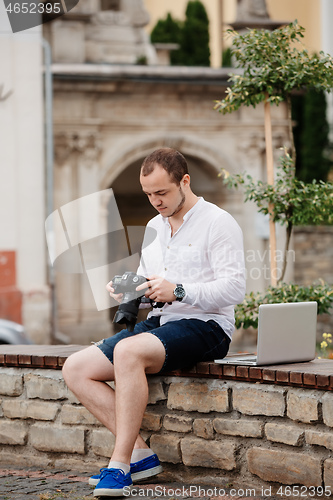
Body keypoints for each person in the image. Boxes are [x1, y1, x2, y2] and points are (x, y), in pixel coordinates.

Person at [62, 148, 246, 497]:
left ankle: (119, 466)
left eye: (161, 193)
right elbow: (152, 286)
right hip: (163, 323)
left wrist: (178, 290)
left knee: (128, 352)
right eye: (149, 194)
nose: (155, 201)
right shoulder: (153, 226)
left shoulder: (218, 221)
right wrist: (131, 292)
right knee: (76, 368)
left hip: (207, 325)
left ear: (184, 181)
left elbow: (235, 287)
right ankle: (142, 455)